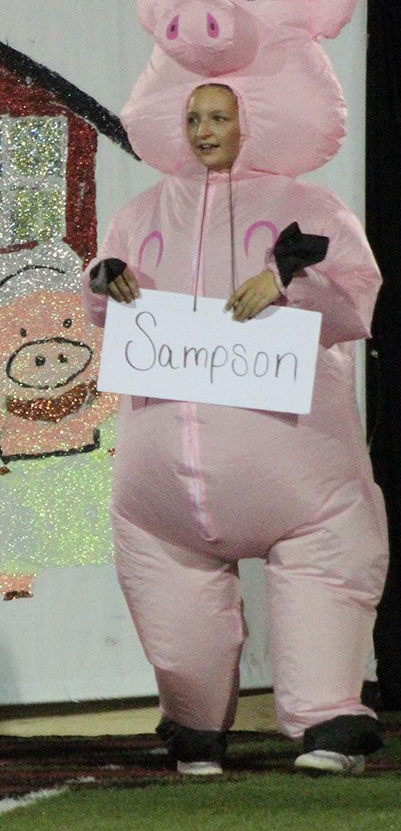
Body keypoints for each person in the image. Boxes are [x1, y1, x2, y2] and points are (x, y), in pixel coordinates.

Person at [86, 78, 387, 776]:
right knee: (171, 592)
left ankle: (327, 715)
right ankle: (193, 720)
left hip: (296, 466)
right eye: (193, 117)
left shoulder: (309, 208)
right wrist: (103, 279)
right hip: (161, 479)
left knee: (324, 562)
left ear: (251, 121)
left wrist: (287, 284)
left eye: (218, 116)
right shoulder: (141, 213)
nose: (203, 130)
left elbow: (354, 303)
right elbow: (104, 306)